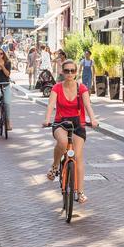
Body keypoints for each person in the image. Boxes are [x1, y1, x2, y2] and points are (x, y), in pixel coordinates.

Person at [43, 59, 99, 204]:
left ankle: (80, 192)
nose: (69, 73)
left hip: (78, 123)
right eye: (66, 71)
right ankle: (55, 166)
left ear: (76, 72)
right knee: (62, 142)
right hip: (60, 122)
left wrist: (93, 119)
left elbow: (87, 105)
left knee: (78, 156)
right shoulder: (56, 88)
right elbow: (50, 105)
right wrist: (47, 119)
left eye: (72, 71)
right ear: (62, 72)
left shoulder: (82, 89)